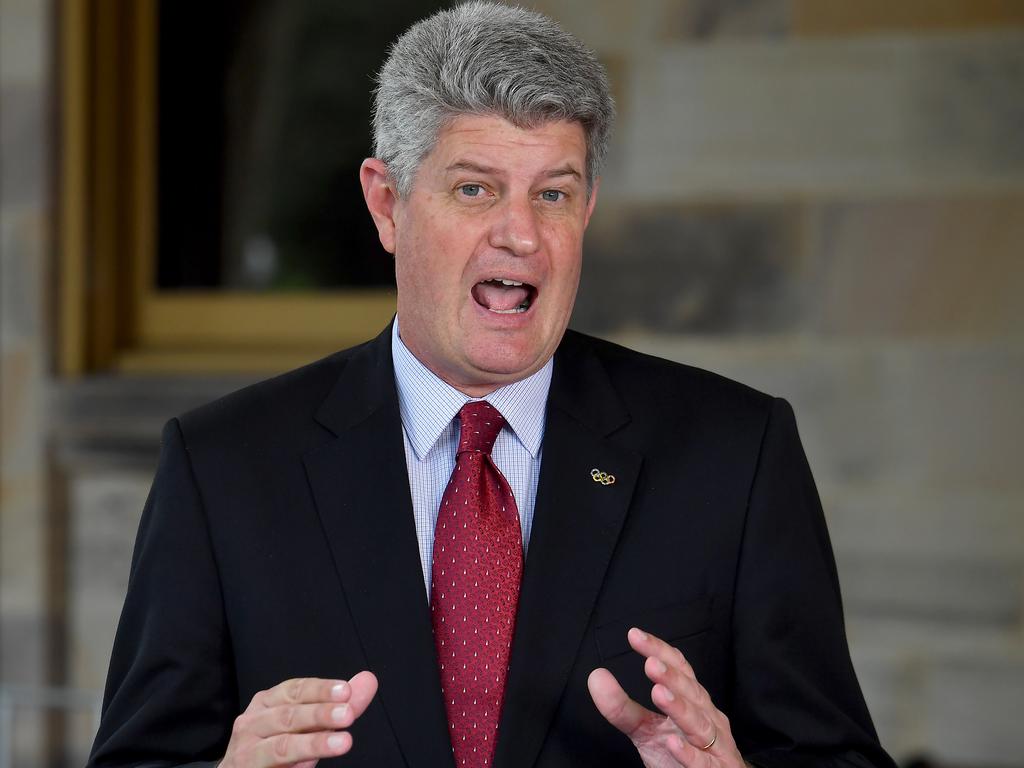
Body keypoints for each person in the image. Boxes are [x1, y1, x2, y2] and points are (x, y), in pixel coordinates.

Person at [88, 3, 896, 767]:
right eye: (475, 189)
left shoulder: (735, 453)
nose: (520, 234)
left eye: (554, 193)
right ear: (387, 204)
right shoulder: (223, 466)